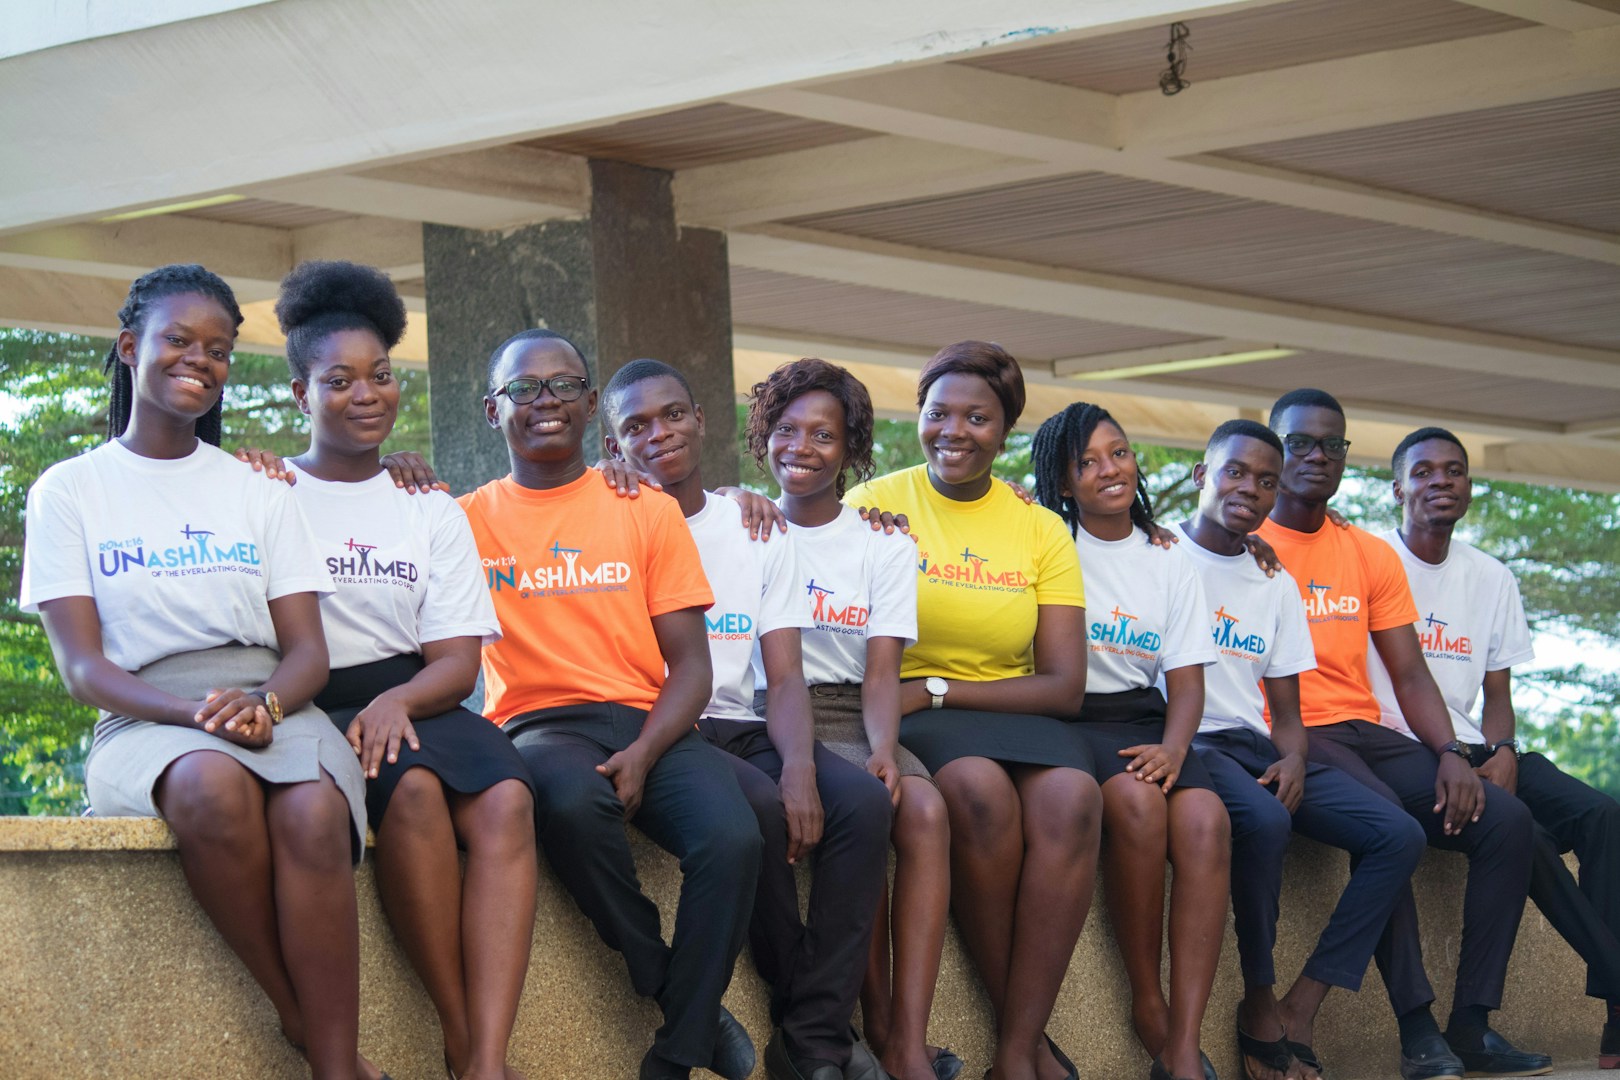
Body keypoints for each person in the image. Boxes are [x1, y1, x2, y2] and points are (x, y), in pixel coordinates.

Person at [20, 264, 379, 1080]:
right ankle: (300, 1019)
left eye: (218, 349)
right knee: (210, 788)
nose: (200, 360)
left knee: (312, 815)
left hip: (274, 701)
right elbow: (82, 668)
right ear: (129, 347)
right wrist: (197, 718)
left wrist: (266, 705)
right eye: (179, 340)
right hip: (144, 711)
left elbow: (309, 653)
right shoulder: (69, 491)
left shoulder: (259, 489)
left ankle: (335, 1069)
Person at [458, 328, 761, 1080]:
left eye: (564, 385)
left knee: (734, 839)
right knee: (570, 805)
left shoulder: (645, 508)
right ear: (493, 409)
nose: (546, 400)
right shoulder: (463, 521)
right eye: (523, 388)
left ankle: (676, 1053)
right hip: (539, 727)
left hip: (653, 722)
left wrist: (646, 752)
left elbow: (691, 668)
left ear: (591, 404)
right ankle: (666, 982)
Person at [273, 260, 540, 1080]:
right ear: (301, 394)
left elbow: (458, 662)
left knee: (508, 798)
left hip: (419, 692)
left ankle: (486, 1060)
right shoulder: (267, 491)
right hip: (315, 696)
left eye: (381, 375)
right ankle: (459, 1036)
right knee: (415, 794)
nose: (367, 394)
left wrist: (399, 701)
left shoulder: (429, 504)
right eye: (340, 380)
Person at [599, 358, 892, 1080]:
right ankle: (816, 1034)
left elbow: (784, 674)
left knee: (862, 803)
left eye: (674, 415)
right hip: (667, 730)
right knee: (759, 808)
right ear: (613, 446)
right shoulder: (609, 519)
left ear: (702, 420)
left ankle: (812, 1028)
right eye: (636, 427)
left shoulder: (755, 525)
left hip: (742, 721)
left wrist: (801, 767)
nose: (659, 434)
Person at [1254, 388, 1544, 1080]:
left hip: (1365, 729)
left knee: (1507, 820)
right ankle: (1416, 1028)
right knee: (1390, 823)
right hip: (1284, 729)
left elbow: (1410, 672)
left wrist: (1449, 752)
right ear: (1273, 449)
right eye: (1300, 443)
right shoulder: (1244, 540)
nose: (1317, 456)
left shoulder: (1366, 551)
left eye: (1333, 444)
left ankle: (1471, 1023)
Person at [846, 340, 1101, 1080]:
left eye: (977, 418)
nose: (953, 431)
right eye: (938, 413)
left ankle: (1017, 1049)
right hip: (907, 711)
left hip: (999, 706)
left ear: (1005, 430)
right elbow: (790, 527)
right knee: (980, 793)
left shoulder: (1038, 527)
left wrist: (937, 689)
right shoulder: (874, 506)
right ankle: (1027, 1047)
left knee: (1074, 799)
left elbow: (1065, 686)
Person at [1175, 420, 1427, 1080]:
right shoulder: (1160, 554)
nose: (1249, 489)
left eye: (1265, 481)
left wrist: (1291, 759)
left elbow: (1286, 714)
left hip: (1254, 746)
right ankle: (1259, 999)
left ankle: (1303, 1001)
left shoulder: (1273, 580)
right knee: (1264, 820)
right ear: (1202, 475)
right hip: (1185, 741)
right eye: (1235, 472)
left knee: (1398, 834)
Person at [1370, 426, 1620, 1071]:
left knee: (1603, 815)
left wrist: (1505, 748)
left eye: (1454, 470)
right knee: (1521, 833)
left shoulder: (1491, 576)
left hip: (1480, 746)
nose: (1441, 481)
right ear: (1397, 489)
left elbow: (1497, 693)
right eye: (1423, 471)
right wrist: (1455, 754)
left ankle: (1615, 1014)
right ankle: (1479, 1024)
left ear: (1469, 487)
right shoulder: (1372, 561)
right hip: (1405, 749)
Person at [742, 357, 959, 1080]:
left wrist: (884, 748)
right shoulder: (745, 522)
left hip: (853, 706)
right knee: (854, 809)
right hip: (770, 710)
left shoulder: (884, 541)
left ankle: (905, 1034)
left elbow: (882, 671)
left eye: (824, 434)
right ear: (763, 434)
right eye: (787, 428)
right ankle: (856, 1024)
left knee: (922, 809)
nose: (801, 447)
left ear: (851, 447)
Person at [1031, 402, 1230, 1080]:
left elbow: (1187, 682)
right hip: (1072, 719)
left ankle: (1185, 1041)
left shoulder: (1168, 558)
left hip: (1147, 720)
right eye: (1086, 462)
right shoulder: (1047, 541)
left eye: (1118, 452)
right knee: (1141, 808)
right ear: (1062, 483)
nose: (1109, 469)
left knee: (1206, 820)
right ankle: (1149, 1003)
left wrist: (1175, 748)